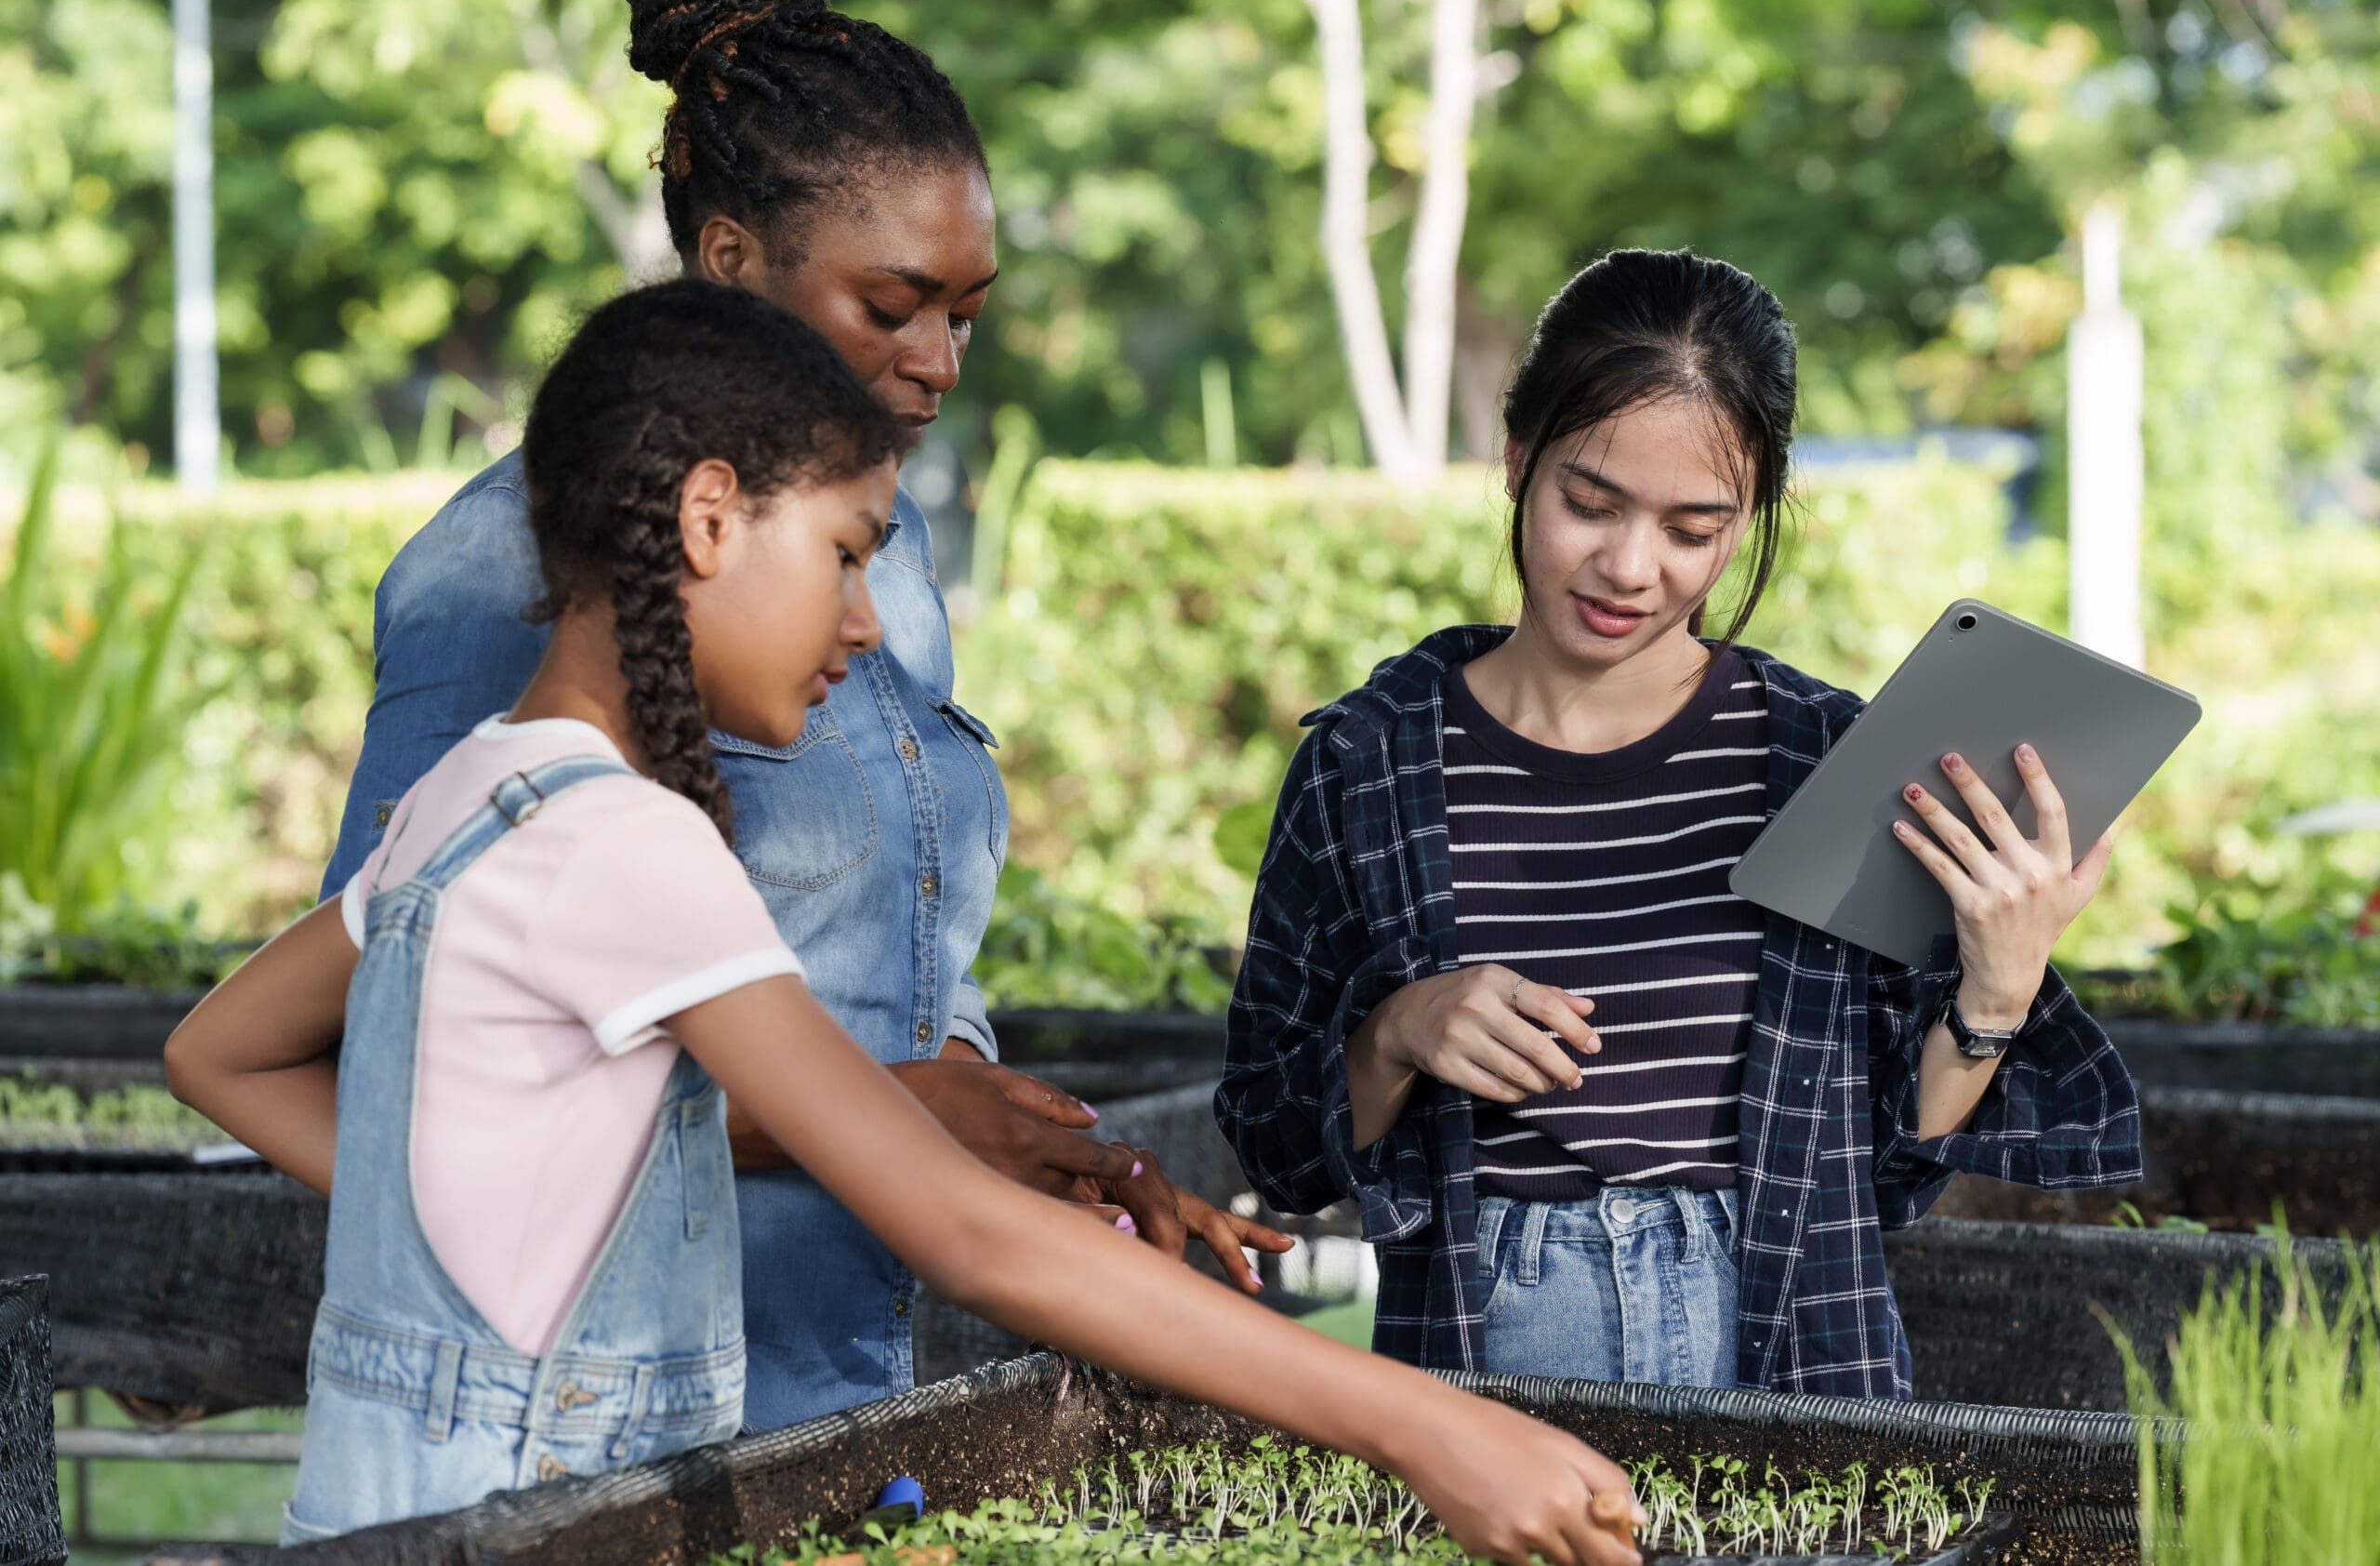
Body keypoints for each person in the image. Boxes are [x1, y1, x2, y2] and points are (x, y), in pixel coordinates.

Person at [165, 283, 1643, 1563]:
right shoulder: (628, 845)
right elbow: (960, 1229)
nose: (867, 622)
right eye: (848, 552)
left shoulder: (475, 789)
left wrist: (465, 1230)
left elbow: (221, 1052)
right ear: (706, 518)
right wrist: (1431, 1426)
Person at [315, 0, 1277, 1430]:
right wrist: (897, 1113)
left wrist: (1026, 1133)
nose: (942, 362)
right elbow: (400, 1034)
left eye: (967, 311)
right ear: (726, 260)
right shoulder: (505, 570)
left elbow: (896, 936)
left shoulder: (887, 556)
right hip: (619, 1409)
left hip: (867, 1374)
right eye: (893, 306)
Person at [1215, 248, 2143, 1397]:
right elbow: (1276, 1151)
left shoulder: (1827, 760)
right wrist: (1399, 1031)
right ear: (1517, 458)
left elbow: (1885, 1175)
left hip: (1795, 1356)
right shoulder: (1368, 766)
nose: (1628, 568)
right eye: (1587, 503)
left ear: (1749, 516)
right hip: (1492, 1368)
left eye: (1693, 529)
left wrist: (1995, 994)